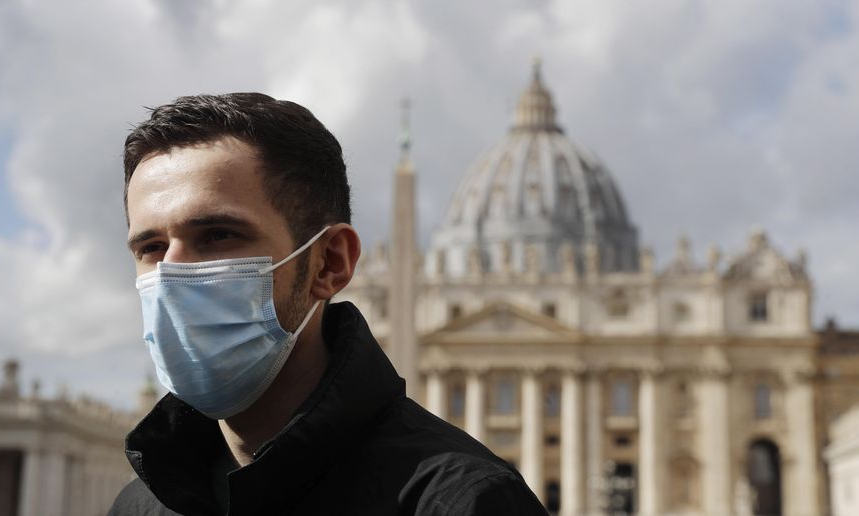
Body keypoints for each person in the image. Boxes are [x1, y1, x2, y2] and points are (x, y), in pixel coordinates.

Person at [108, 93, 548, 515]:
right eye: (151, 247)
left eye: (219, 235)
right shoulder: (137, 507)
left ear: (329, 263)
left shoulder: (467, 502)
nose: (173, 273)